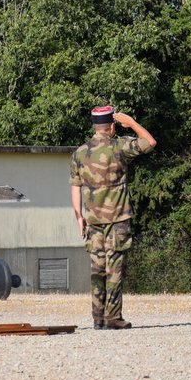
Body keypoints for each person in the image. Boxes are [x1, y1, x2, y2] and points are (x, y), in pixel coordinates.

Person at [69, 106, 156, 329]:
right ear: (112, 126)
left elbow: (75, 187)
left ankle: (97, 318)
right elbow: (150, 142)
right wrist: (133, 123)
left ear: (94, 126)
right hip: (117, 219)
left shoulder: (80, 153)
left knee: (97, 269)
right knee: (114, 269)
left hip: (93, 220)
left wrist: (80, 217)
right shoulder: (119, 146)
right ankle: (113, 318)